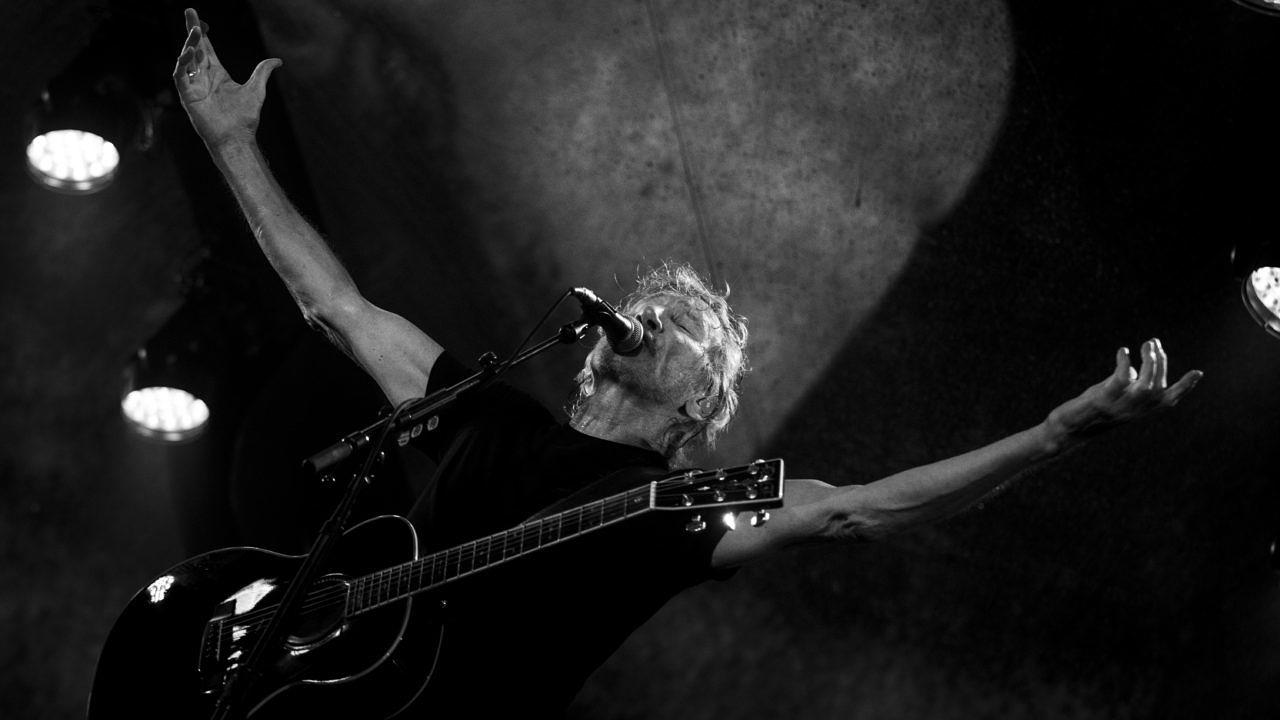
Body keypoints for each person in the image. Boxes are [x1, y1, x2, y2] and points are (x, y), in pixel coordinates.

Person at [172, 7, 1203, 716]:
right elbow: (333, 305)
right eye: (645, 308)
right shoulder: (485, 416)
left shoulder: (684, 508)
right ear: (588, 362)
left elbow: (864, 507)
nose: (652, 317)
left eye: (684, 330)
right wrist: (228, 142)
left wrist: (1058, 433)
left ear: (695, 413)